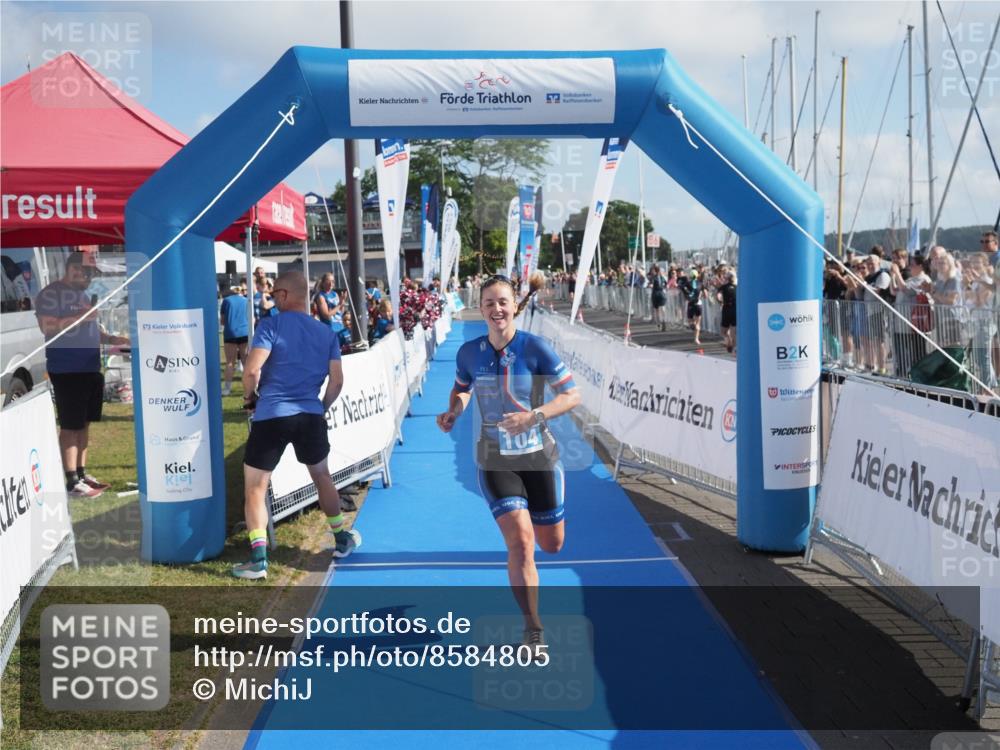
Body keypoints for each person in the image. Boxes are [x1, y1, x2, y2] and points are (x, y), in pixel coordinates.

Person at [436, 273, 581, 653]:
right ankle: (533, 628)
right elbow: (461, 389)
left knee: (552, 544)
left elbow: (571, 396)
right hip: (495, 459)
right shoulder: (470, 352)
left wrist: (534, 416)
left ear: (515, 305)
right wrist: (453, 410)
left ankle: (543, 522)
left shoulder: (536, 348)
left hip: (539, 458)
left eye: (503, 301)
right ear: (481, 308)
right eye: (489, 303)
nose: (497, 309)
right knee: (521, 543)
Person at [234, 271, 359, 579]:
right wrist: (322, 407)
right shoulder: (326, 333)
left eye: (275, 294)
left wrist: (250, 398)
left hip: (272, 414)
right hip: (309, 414)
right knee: (322, 477)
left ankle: (258, 559)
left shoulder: (270, 325)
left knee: (255, 487)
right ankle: (341, 539)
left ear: (286, 295)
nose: (272, 299)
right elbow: (337, 380)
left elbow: (251, 371)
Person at [35, 253, 129, 498]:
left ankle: (81, 473)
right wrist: (82, 317)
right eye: (86, 272)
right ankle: (70, 480)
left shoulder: (83, 295)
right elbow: (48, 326)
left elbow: (90, 329)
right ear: (72, 268)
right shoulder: (51, 293)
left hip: (90, 368)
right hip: (67, 369)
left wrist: (111, 339)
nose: (89, 278)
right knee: (71, 425)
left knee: (85, 424)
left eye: (92, 274)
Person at [220, 287, 249, 396]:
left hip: (230, 332)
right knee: (246, 362)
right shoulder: (246, 300)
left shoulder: (226, 301)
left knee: (230, 362)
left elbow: (222, 321)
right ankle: (249, 387)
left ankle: (227, 389)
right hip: (244, 332)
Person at [716, 268, 737, 354]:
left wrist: (720, 301)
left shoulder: (723, 287)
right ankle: (734, 348)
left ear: (727, 278)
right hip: (735, 309)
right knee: (734, 331)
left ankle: (729, 341)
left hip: (727, 309)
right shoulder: (737, 287)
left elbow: (718, 295)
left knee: (723, 331)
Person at [649, 264, 668, 331]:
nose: (653, 272)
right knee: (658, 310)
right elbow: (651, 284)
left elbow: (666, 284)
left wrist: (665, 287)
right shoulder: (653, 278)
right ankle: (659, 323)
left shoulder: (662, 277)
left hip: (660, 294)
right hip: (656, 294)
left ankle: (663, 321)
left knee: (661, 309)